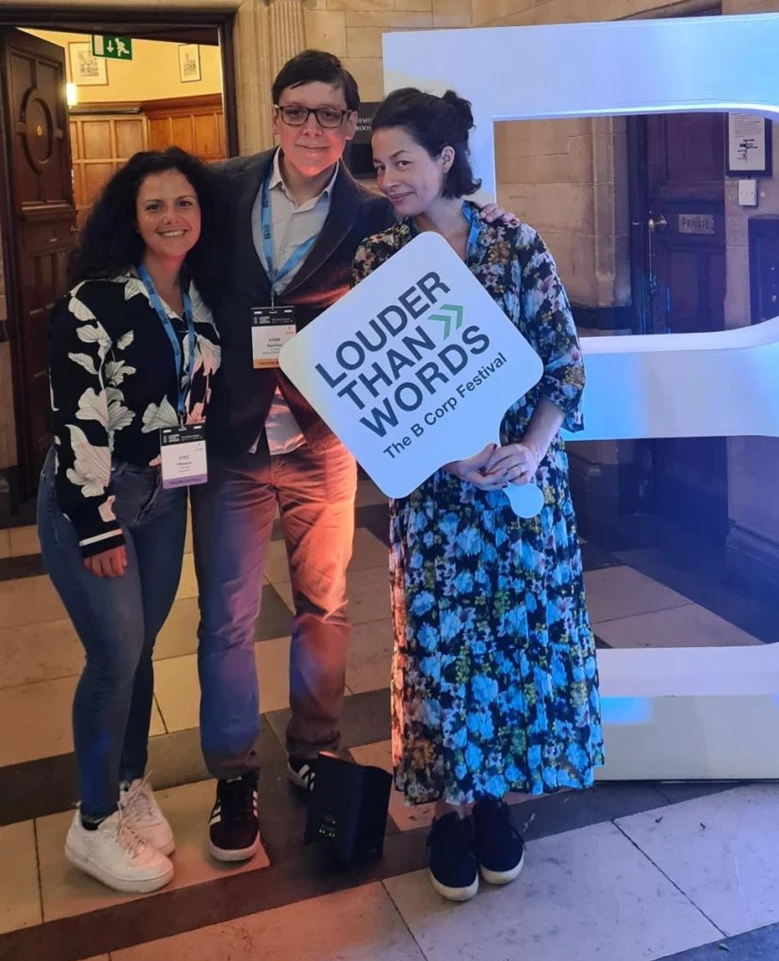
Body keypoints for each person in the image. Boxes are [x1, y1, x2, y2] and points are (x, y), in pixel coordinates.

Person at [194, 50, 514, 865]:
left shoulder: (375, 216)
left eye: (330, 115)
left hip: (322, 440)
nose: (313, 127)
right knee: (226, 616)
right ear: (274, 117)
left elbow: (424, 320)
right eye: (297, 111)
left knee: (325, 604)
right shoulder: (220, 188)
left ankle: (314, 745)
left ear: (349, 124)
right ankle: (234, 774)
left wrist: (463, 431)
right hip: (232, 438)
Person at [353, 87, 603, 902]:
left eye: (403, 161)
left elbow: (564, 364)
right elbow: (379, 391)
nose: (388, 176)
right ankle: (450, 809)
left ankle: (495, 796)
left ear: (445, 160)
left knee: (512, 644)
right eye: (380, 163)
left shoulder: (515, 244)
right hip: (437, 498)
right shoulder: (379, 258)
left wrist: (531, 449)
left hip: (520, 493)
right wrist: (448, 458)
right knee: (439, 651)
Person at [39, 148, 221, 895]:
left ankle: (127, 783)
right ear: (131, 215)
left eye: (183, 202)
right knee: (113, 655)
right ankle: (90, 825)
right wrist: (97, 525)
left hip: (164, 493)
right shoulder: (94, 300)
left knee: (144, 645)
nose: (172, 217)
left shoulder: (201, 296)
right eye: (155, 206)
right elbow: (75, 419)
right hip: (99, 495)